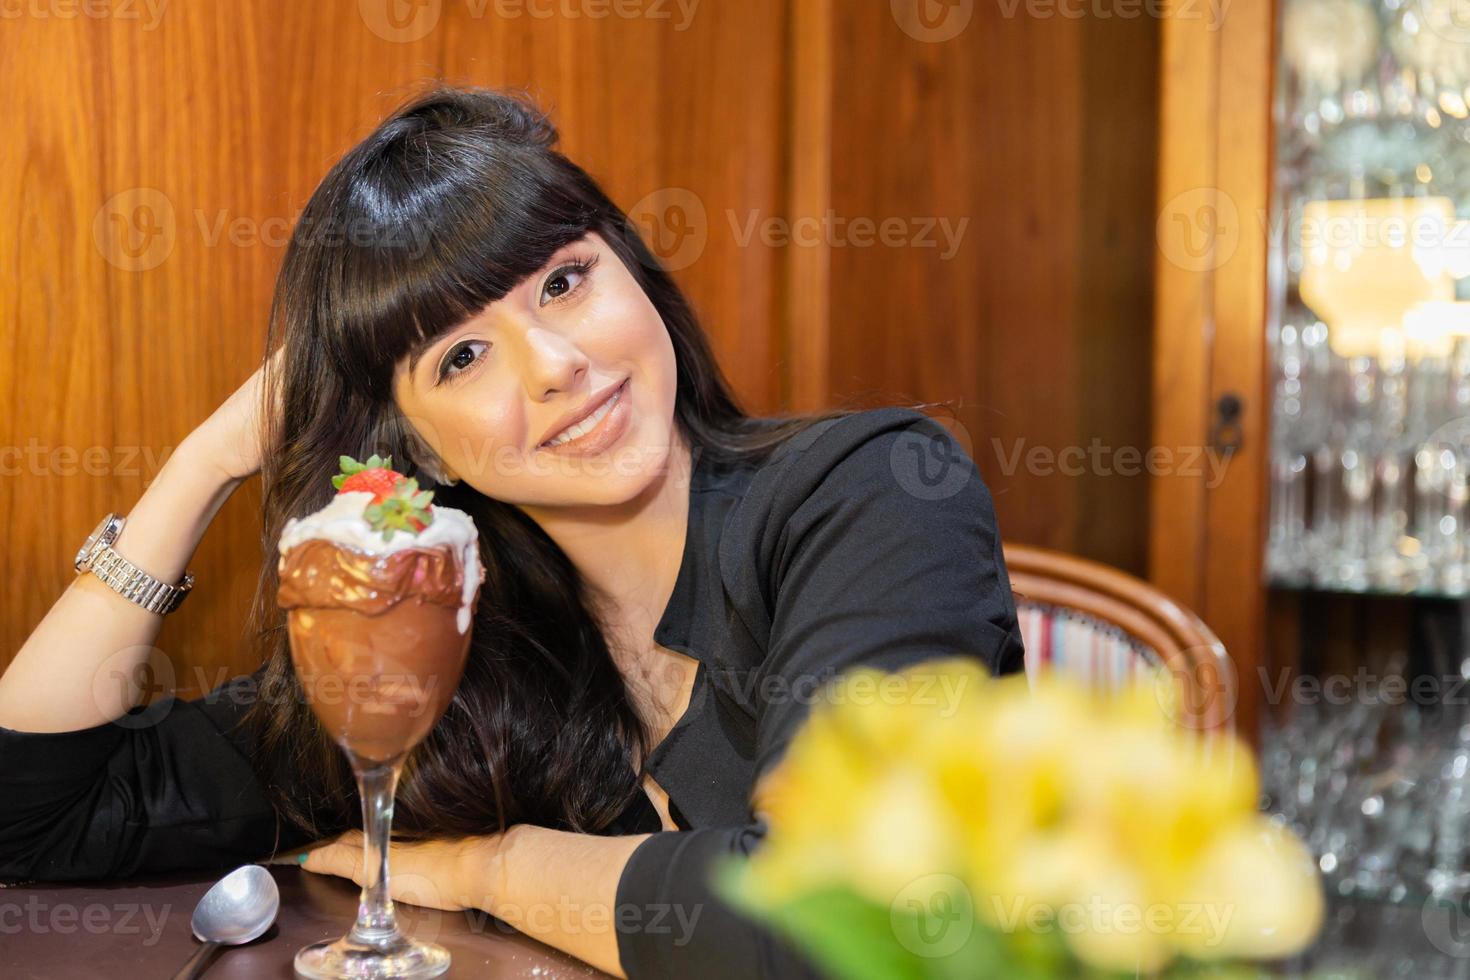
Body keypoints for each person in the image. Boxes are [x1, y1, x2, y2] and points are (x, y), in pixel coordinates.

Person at [0, 84, 1025, 979]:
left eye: (566, 280)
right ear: (426, 453)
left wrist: (482, 864)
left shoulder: (874, 490)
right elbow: (35, 809)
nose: (553, 362)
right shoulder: (448, 644)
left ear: (634, 273)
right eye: (461, 357)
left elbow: (838, 923)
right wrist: (205, 463)